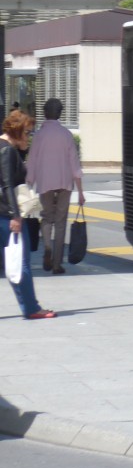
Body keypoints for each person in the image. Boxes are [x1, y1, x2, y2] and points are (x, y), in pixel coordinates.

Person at [0, 110, 56, 319]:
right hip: (7, 216)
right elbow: (7, 184)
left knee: (15, 262)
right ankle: (31, 308)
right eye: (28, 133)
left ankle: (30, 306)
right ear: (17, 131)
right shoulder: (6, 151)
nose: (30, 138)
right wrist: (16, 215)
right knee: (20, 261)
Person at [25, 98, 84, 275]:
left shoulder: (39, 136)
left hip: (45, 184)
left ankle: (48, 247)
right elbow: (75, 165)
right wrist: (80, 192)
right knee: (60, 223)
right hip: (65, 183)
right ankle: (57, 264)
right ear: (59, 114)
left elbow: (32, 163)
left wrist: (29, 186)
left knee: (46, 218)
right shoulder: (66, 134)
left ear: (45, 114)